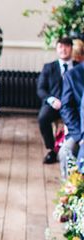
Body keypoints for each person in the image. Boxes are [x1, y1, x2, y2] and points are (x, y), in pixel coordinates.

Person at [38, 36, 75, 165]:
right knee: (43, 118)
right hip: (55, 105)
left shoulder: (78, 67)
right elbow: (41, 89)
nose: (63, 49)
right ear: (57, 49)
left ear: (71, 48)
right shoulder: (49, 67)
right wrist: (52, 100)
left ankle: (73, 148)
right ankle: (52, 149)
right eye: (60, 46)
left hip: (73, 105)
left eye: (66, 46)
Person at [60, 60, 84, 175]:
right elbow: (66, 108)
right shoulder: (73, 75)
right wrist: (80, 136)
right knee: (66, 152)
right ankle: (71, 190)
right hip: (80, 129)